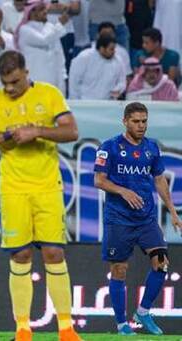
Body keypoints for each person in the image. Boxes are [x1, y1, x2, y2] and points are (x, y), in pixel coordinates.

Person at [0, 51, 81, 341]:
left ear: (26, 72)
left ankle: (66, 329)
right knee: (21, 254)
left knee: (54, 253)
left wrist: (37, 131)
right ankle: (23, 329)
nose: (10, 88)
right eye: (6, 83)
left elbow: (72, 131)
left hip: (47, 187)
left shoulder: (49, 94)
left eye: (15, 82)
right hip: (13, 189)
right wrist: (6, 136)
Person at [94, 101, 182, 335]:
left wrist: (173, 211)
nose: (141, 126)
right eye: (136, 121)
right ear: (125, 121)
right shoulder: (109, 147)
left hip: (146, 218)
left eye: (144, 121)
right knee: (119, 270)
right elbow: (99, 180)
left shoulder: (152, 148)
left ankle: (143, 311)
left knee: (161, 263)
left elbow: (160, 180)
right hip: (118, 218)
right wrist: (123, 191)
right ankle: (122, 324)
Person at [15, 0, 69, 93]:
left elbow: (59, 53)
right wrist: (60, 24)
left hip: (54, 81)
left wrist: (63, 76)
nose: (45, 12)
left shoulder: (51, 27)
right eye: (41, 9)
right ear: (32, 12)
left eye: (45, 8)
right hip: (33, 81)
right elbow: (43, 40)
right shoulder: (25, 30)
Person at [68, 34, 126, 100]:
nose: (114, 51)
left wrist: (118, 89)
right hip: (84, 102)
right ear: (102, 48)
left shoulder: (118, 60)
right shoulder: (84, 57)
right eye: (111, 49)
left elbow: (122, 81)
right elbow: (74, 80)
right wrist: (75, 101)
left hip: (107, 103)